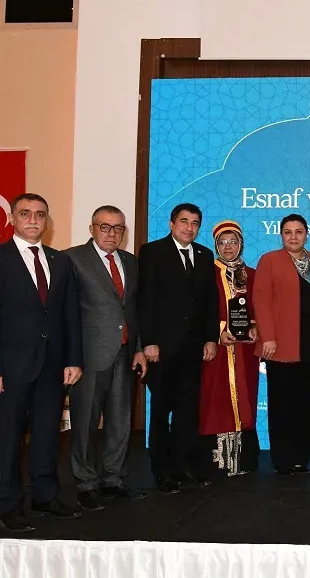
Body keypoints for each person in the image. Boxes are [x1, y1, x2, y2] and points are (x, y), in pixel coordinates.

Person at [0, 193, 83, 532]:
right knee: (7, 436)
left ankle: (45, 496)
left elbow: (70, 313)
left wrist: (73, 359)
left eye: (40, 214)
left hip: (52, 364)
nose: (33, 220)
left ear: (47, 220)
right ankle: (7, 504)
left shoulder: (60, 261)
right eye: (26, 213)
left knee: (48, 432)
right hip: (10, 366)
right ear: (13, 219)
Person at [65, 205, 148, 511]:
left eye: (118, 228)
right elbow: (66, 313)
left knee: (120, 420)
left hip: (125, 354)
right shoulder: (72, 259)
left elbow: (133, 310)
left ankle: (113, 478)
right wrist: (71, 357)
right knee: (85, 422)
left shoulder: (130, 261)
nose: (112, 233)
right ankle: (86, 483)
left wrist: (138, 348)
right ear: (92, 229)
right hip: (88, 357)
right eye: (105, 227)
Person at [138, 203, 220, 494]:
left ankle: (182, 465)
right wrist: (149, 341)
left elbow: (210, 300)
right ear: (172, 224)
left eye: (195, 223)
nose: (189, 227)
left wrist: (211, 338)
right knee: (161, 410)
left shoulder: (204, 255)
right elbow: (145, 299)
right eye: (184, 221)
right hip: (162, 348)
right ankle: (161, 471)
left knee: (187, 411)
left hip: (193, 348)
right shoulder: (152, 252)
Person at [253, 214, 310, 476]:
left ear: (307, 233)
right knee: (282, 405)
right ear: (281, 235)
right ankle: (283, 460)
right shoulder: (269, 260)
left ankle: (301, 458)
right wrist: (268, 336)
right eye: (287, 232)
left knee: (305, 405)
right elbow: (260, 300)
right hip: (279, 345)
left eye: (298, 231)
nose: (293, 237)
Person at [197, 221, 262, 479]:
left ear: (241, 244)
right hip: (216, 349)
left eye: (233, 242)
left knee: (245, 397)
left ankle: (243, 460)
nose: (228, 247)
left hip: (244, 350)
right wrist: (218, 331)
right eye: (222, 242)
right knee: (215, 397)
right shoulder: (206, 273)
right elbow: (200, 309)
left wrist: (254, 326)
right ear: (216, 245)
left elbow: (259, 307)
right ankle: (216, 462)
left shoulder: (252, 274)